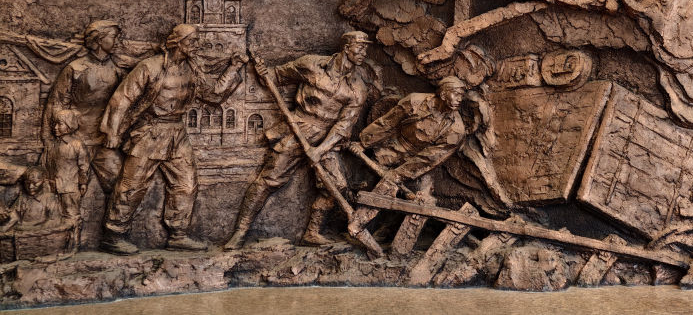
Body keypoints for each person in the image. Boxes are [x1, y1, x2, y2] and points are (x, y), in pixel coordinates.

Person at [100, 24, 244, 255]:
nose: (196, 45)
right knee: (132, 186)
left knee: (186, 184)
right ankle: (113, 234)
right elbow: (123, 99)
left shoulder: (192, 69)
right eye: (192, 41)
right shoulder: (150, 67)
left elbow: (214, 94)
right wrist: (112, 131)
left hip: (177, 133)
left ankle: (178, 234)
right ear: (177, 42)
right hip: (149, 132)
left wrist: (233, 68)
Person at [224, 31, 374, 250]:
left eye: (366, 49)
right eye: (360, 48)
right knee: (270, 179)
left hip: (328, 138)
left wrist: (320, 150)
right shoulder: (311, 65)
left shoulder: (358, 88)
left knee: (336, 186)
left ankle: (312, 233)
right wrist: (264, 73)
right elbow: (275, 77)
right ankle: (240, 232)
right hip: (298, 129)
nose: (364, 53)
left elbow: (343, 127)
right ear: (346, 47)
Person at [347, 77, 469, 239]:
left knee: (420, 199)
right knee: (369, 184)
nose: (460, 99)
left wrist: (399, 174)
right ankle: (358, 224)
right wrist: (364, 142)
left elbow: (429, 159)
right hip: (392, 148)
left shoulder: (456, 130)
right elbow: (388, 123)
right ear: (443, 94)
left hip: (418, 164)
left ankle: (387, 232)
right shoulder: (415, 101)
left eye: (462, 96)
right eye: (456, 94)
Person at [42, 20, 129, 200]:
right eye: (114, 37)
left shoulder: (118, 70)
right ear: (99, 39)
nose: (118, 42)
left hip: (104, 141)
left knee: (119, 187)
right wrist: (50, 140)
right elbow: (56, 103)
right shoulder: (75, 68)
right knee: (66, 191)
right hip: (75, 139)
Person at [45, 109, 90, 249]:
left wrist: (83, 183)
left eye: (60, 124)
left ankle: (74, 244)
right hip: (53, 187)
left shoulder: (77, 144)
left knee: (72, 217)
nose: (55, 127)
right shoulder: (53, 145)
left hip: (70, 188)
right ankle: (60, 246)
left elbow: (84, 166)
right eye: (55, 124)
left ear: (69, 125)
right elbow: (48, 165)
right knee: (56, 217)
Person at [0, 167, 61, 233]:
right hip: (21, 233)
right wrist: (6, 218)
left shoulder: (49, 198)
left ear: (44, 181)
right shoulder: (22, 197)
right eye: (27, 183)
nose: (30, 187)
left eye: (35, 183)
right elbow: (15, 217)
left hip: (38, 234)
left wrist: (29, 228)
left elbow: (55, 221)